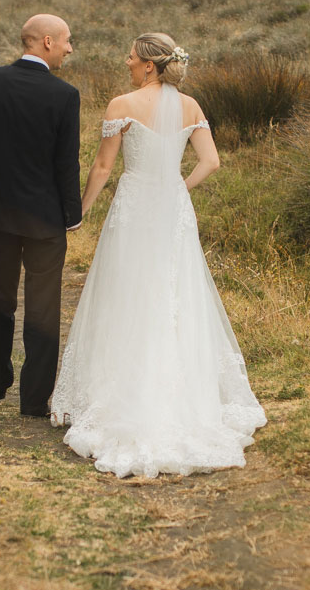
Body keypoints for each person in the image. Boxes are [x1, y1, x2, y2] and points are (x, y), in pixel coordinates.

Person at [49, 32, 266, 477]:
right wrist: (177, 190)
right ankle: (182, 394)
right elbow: (211, 161)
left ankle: (122, 393)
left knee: (127, 291)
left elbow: (104, 167)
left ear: (149, 65)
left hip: (133, 207)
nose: (126, 61)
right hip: (172, 210)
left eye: (131, 56)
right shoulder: (191, 107)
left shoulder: (122, 104)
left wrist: (79, 212)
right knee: (175, 293)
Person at [0, 13, 81, 417]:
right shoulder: (65, 95)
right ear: (46, 42)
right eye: (66, 41)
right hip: (46, 220)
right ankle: (33, 401)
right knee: (43, 308)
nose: (69, 48)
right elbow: (66, 165)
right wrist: (72, 214)